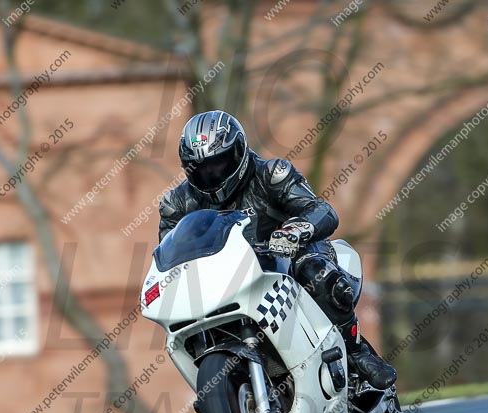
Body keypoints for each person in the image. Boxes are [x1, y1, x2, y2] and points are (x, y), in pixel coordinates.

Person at [158, 110, 396, 389]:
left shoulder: (271, 174)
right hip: (228, 275)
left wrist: (297, 229)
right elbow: (170, 251)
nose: (212, 173)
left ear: (239, 152)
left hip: (288, 256)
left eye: (220, 164)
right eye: (203, 168)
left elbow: (321, 211)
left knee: (316, 273)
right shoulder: (177, 203)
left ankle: (356, 352)